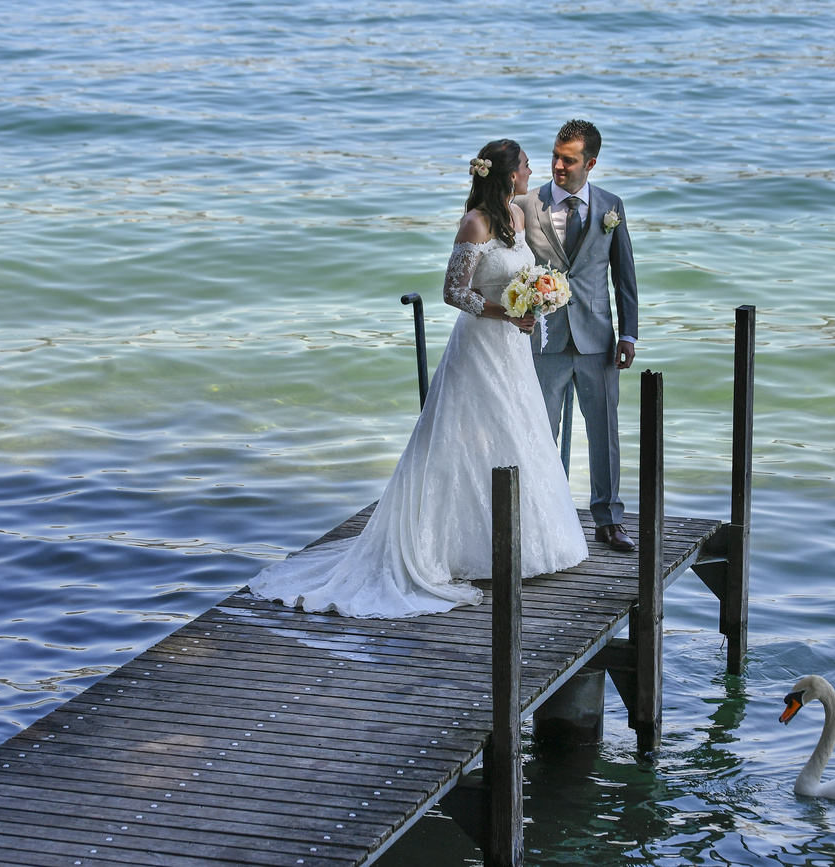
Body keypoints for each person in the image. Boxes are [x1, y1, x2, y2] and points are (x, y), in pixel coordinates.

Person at [249, 139, 588, 618]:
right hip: (480, 347)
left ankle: (526, 542)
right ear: (509, 174)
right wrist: (506, 311)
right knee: (463, 437)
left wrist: (533, 301)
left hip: (513, 347)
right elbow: (453, 292)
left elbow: (522, 272)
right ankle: (457, 549)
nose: (533, 170)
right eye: (528, 165)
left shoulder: (515, 216)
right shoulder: (475, 222)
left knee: (514, 431)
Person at [515, 120, 639, 552]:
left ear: (591, 162)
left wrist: (630, 334)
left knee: (605, 432)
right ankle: (543, 519)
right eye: (554, 155)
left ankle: (608, 521)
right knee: (540, 433)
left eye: (568, 159)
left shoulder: (611, 206)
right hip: (544, 339)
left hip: (598, 339)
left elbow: (625, 276)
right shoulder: (526, 204)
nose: (558, 165)